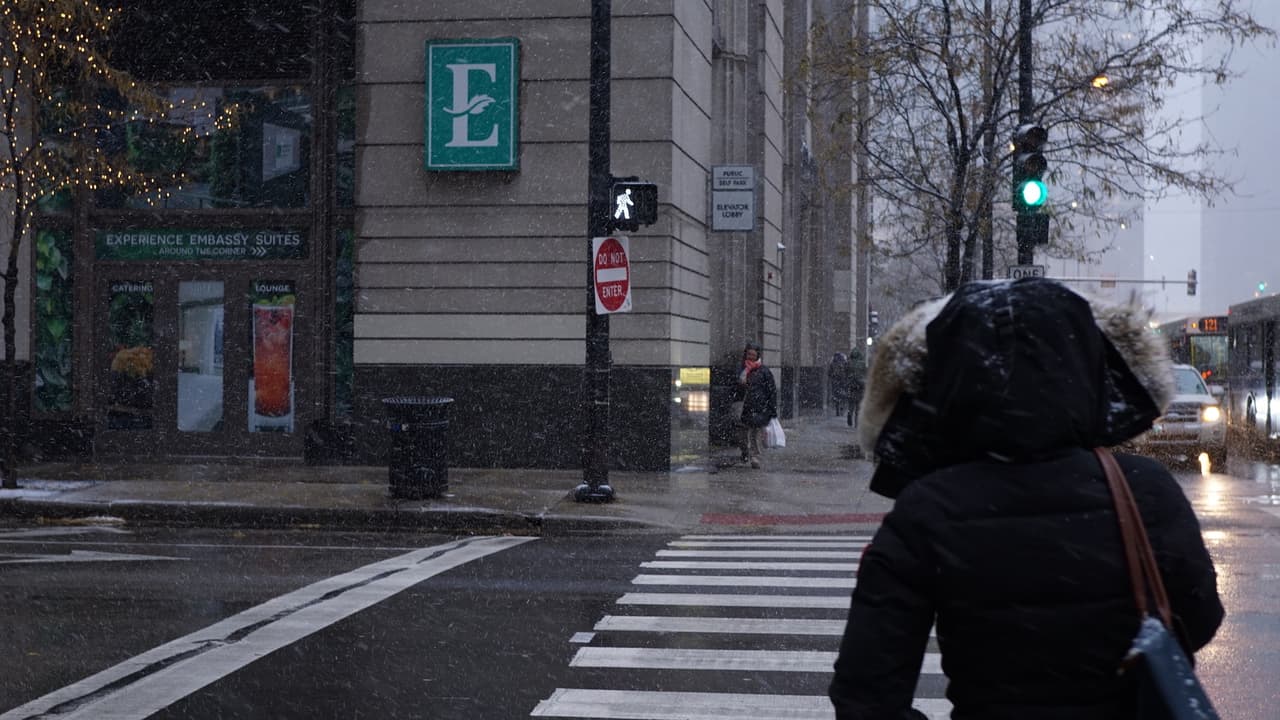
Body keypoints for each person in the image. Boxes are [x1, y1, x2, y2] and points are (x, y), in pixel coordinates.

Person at [829, 278, 1224, 719]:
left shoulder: (928, 509)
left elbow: (865, 693)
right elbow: (1200, 617)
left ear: (951, 380)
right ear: (1087, 369)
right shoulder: (1143, 489)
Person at [736, 341, 777, 468]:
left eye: (753, 355)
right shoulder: (741, 369)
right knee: (742, 433)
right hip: (743, 405)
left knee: (755, 433)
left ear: (757, 355)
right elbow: (735, 386)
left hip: (758, 407)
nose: (751, 357)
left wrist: (772, 410)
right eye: (749, 354)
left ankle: (755, 457)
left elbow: (771, 391)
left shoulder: (764, 371)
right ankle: (745, 451)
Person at [845, 347, 866, 427]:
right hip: (861, 385)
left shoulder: (849, 363)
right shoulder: (863, 363)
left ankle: (850, 413)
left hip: (851, 385)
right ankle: (857, 423)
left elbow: (846, 373)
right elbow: (865, 374)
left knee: (851, 402)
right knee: (859, 404)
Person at [829, 352, 851, 416]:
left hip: (835, 381)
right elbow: (848, 371)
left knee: (836, 394)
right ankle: (842, 408)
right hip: (843, 380)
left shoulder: (833, 363)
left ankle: (837, 409)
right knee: (843, 394)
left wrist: (832, 376)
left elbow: (829, 373)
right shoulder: (844, 362)